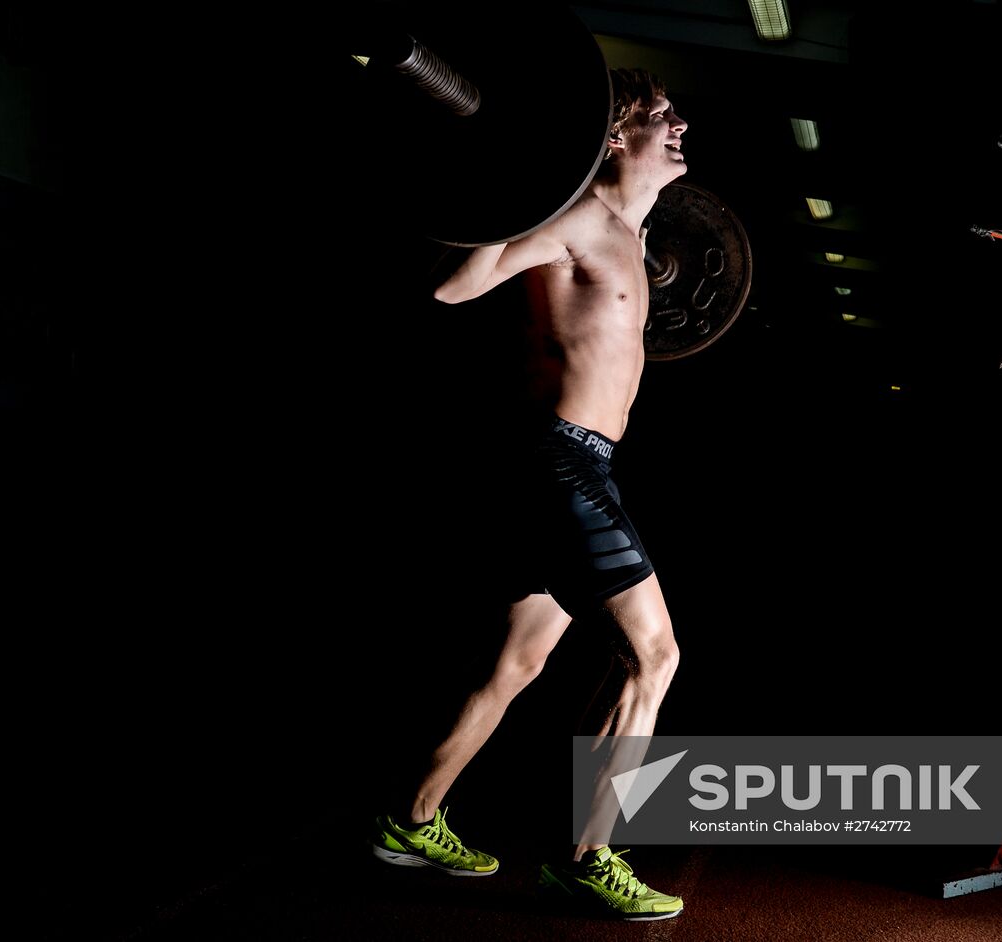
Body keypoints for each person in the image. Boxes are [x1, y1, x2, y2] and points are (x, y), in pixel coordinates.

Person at [370, 68, 689, 921]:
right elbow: (453, 287)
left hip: (580, 464)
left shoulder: (629, 230)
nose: (680, 125)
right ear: (617, 137)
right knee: (654, 655)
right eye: (661, 116)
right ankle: (591, 855)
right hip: (560, 464)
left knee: (519, 659)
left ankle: (412, 819)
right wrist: (512, 194)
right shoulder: (578, 215)